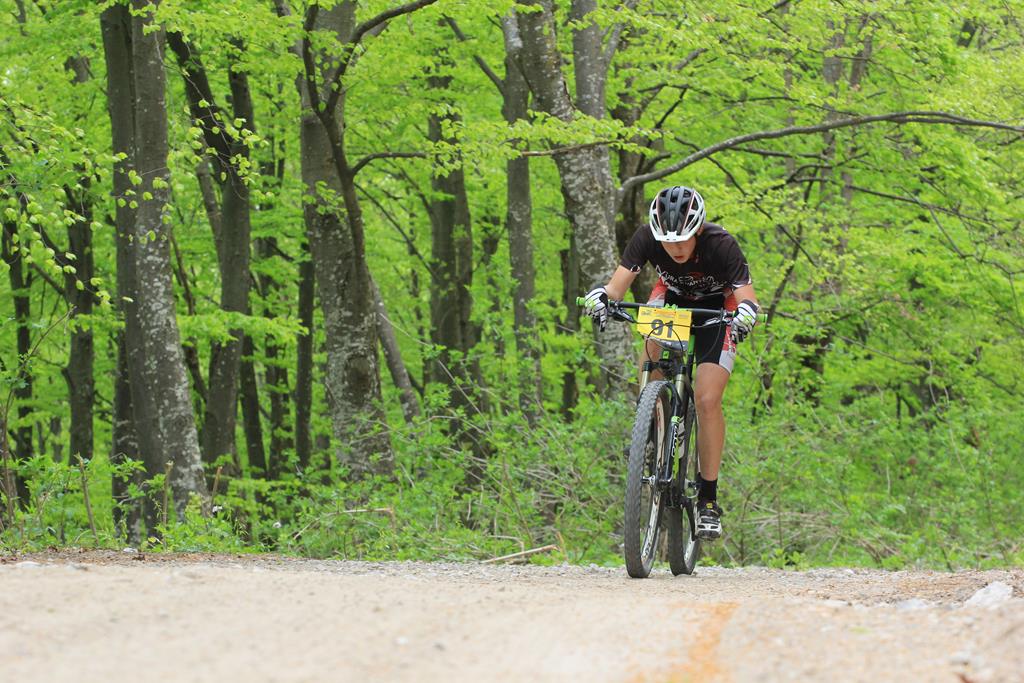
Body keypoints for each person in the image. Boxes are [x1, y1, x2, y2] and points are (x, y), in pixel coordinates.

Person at [582, 186, 760, 540]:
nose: (675, 249)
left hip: (716, 309)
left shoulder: (722, 244)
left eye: (682, 241)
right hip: (673, 301)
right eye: (667, 242)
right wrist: (601, 298)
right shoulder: (646, 237)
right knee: (650, 348)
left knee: (708, 400)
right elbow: (616, 287)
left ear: (697, 231)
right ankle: (653, 419)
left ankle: (708, 500)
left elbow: (747, 298)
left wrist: (745, 314)